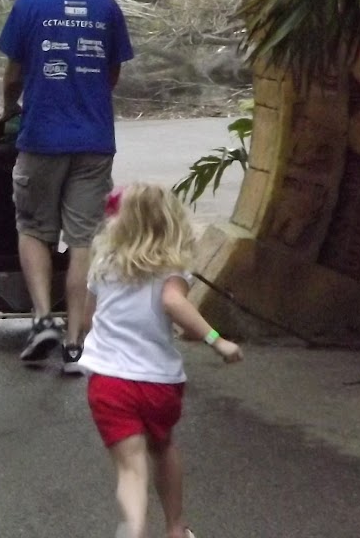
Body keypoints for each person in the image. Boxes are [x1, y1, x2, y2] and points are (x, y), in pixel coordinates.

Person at [0, 0, 132, 370]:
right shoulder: (107, 8)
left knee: (34, 227)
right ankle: (76, 341)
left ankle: (41, 319)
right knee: (83, 238)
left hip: (42, 137)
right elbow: (112, 75)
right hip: (95, 141)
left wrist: (8, 109)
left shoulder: (30, 6)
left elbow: (14, 74)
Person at [77, 183, 243, 538]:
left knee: (131, 468)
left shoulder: (104, 264)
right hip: (158, 383)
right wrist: (218, 341)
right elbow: (172, 302)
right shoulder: (170, 269)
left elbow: (88, 319)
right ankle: (175, 528)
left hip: (109, 383)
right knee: (163, 445)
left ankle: (134, 527)